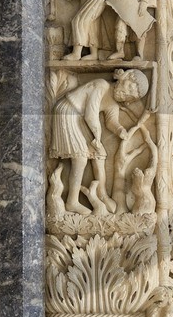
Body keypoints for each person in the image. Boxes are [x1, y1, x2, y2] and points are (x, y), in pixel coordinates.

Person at [50, 68, 149, 213]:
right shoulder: (101, 85)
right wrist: (96, 136)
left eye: (129, 96)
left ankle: (102, 195)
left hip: (79, 118)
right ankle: (72, 201)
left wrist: (120, 130)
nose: (124, 94)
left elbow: (111, 121)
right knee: (81, 158)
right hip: (68, 112)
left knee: (99, 153)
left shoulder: (113, 103)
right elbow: (91, 114)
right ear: (123, 78)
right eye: (128, 86)